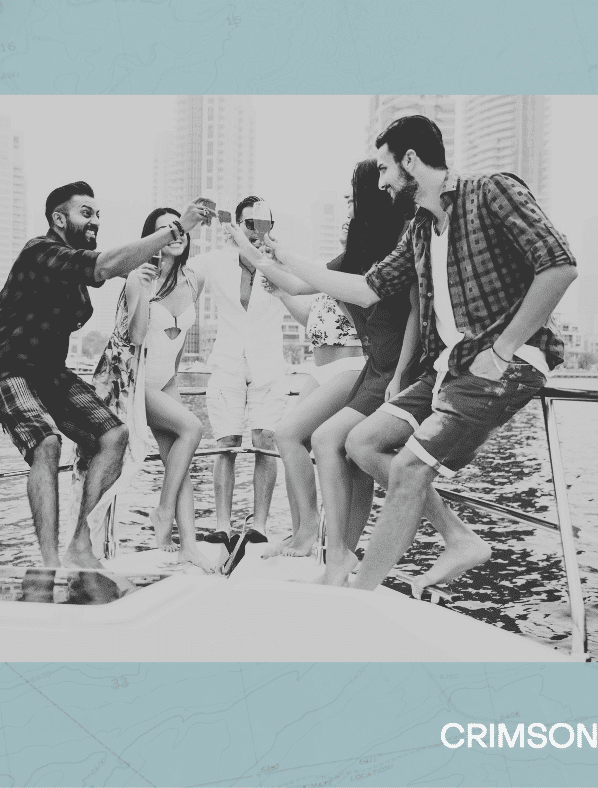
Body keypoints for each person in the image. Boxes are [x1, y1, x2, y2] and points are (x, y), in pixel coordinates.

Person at [264, 115, 578, 592]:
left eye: (387, 169)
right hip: (447, 367)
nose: (383, 182)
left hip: (502, 363)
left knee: (410, 466)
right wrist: (283, 258)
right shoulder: (419, 231)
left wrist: (504, 347)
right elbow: (367, 289)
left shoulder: (491, 192)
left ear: (410, 161)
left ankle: (355, 596)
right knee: (361, 442)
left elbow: (558, 265)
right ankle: (459, 539)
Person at [0, 181, 210, 568]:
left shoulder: (79, 271)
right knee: (47, 443)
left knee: (114, 435)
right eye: (86, 213)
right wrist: (176, 228)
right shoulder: (40, 250)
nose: (95, 220)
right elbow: (107, 266)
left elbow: (118, 265)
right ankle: (49, 564)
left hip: (48, 370)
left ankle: (80, 547)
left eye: (98, 215)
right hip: (2, 364)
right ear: (59, 218)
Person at [225, 159, 417, 572]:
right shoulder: (356, 251)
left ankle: (334, 547)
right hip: (373, 369)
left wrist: (402, 373)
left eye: (353, 194)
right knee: (333, 445)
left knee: (333, 442)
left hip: (377, 369)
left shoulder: (399, 245)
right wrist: (246, 244)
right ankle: (332, 548)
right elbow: (294, 284)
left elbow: (406, 310)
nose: (348, 201)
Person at [187, 196, 288, 546]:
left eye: (266, 224)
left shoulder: (281, 263)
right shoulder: (214, 262)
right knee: (226, 442)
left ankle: (259, 524)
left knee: (265, 440)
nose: (259, 232)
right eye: (250, 224)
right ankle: (222, 523)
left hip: (269, 363)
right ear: (235, 228)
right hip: (227, 362)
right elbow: (177, 273)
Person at [261, 290, 366, 558]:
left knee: (290, 436)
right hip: (320, 369)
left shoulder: (360, 269)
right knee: (292, 443)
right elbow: (313, 319)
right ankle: (301, 534)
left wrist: (267, 262)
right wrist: (279, 292)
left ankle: (324, 540)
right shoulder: (331, 271)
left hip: (352, 365)